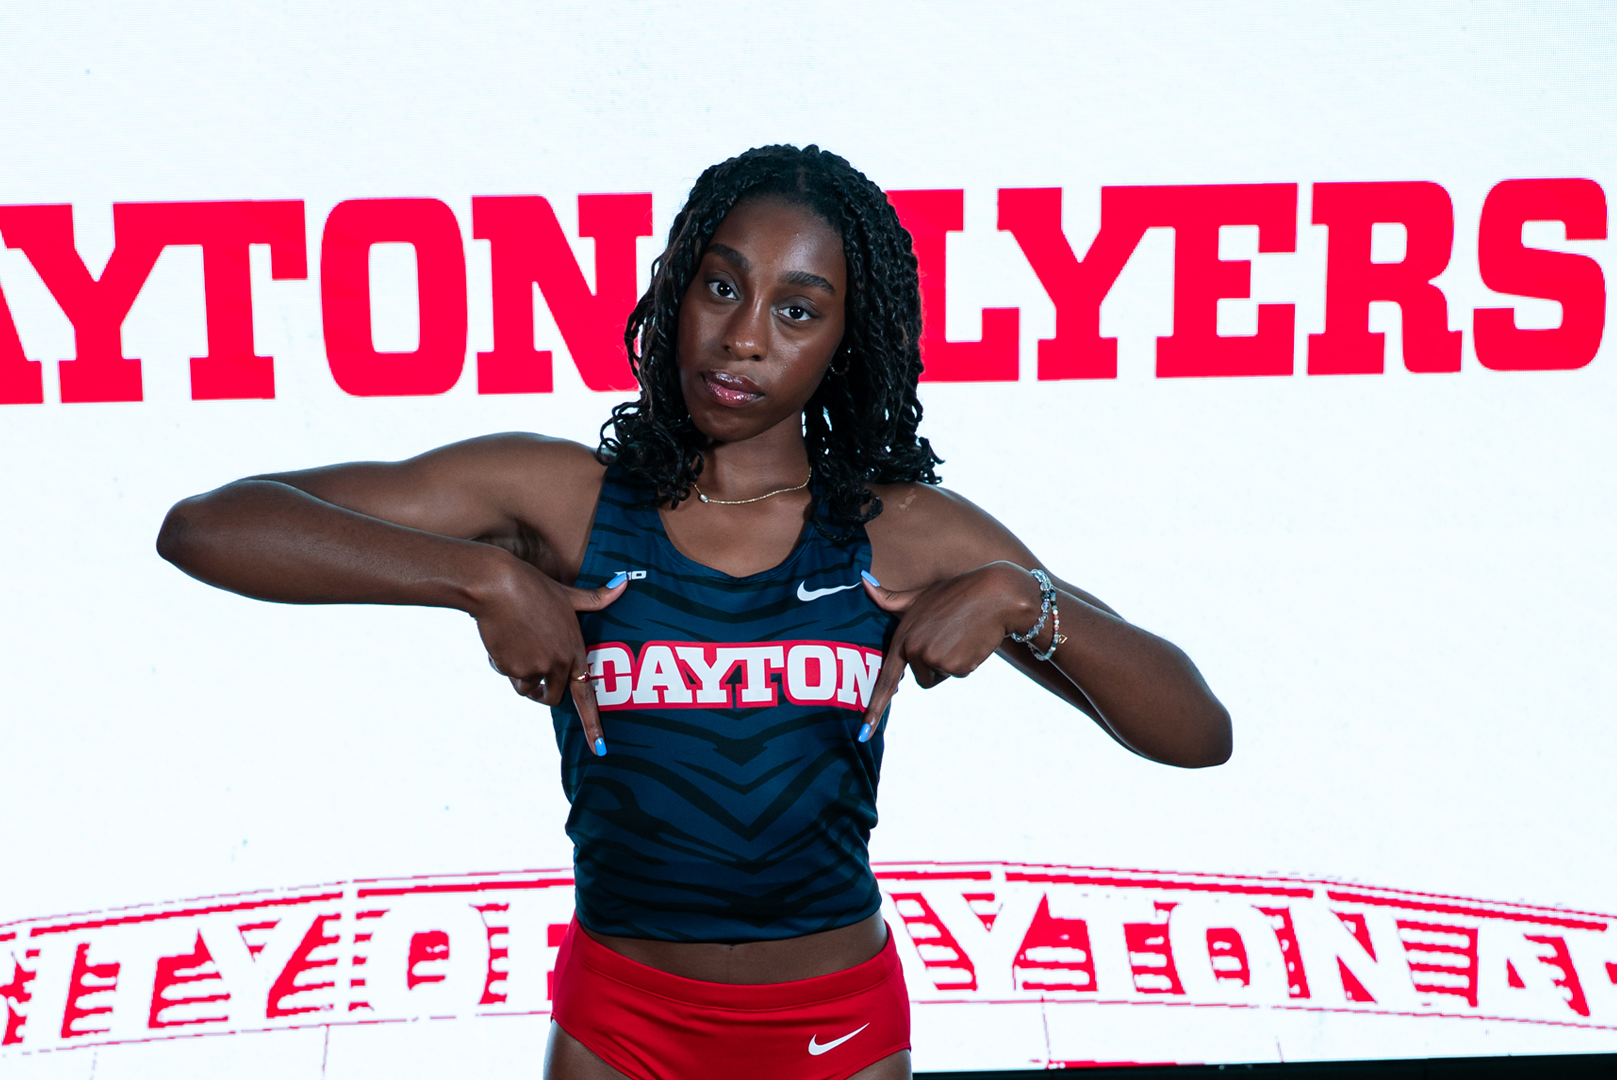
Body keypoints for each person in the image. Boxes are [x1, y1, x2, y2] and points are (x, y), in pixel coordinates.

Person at [157, 144, 1231, 1080]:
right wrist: (480, 578)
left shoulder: (899, 531)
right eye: (721, 289)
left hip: (832, 1025)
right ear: (677, 293)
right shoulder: (563, 500)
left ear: (844, 343)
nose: (745, 337)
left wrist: (1017, 597)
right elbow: (209, 527)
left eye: (798, 310)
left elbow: (1197, 734)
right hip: (623, 1021)